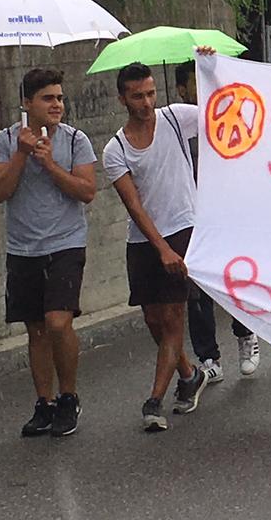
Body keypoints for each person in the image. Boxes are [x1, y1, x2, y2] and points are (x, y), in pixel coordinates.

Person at [0, 68, 98, 438]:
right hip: (23, 248)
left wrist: (49, 164)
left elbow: (86, 191)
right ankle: (44, 403)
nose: (57, 105)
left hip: (65, 243)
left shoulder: (75, 140)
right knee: (35, 330)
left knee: (57, 323)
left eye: (60, 98)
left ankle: (69, 397)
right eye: (48, 98)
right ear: (27, 103)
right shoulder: (4, 141)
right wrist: (21, 155)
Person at [103, 63, 209, 431]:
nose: (147, 102)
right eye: (137, 96)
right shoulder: (115, 149)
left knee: (173, 317)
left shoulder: (178, 119)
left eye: (150, 93)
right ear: (123, 99)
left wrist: (209, 65)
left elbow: (221, 105)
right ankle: (189, 373)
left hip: (184, 226)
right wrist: (159, 247)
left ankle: (154, 401)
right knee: (153, 320)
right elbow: (133, 203)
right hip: (144, 239)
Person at [173, 62, 271, 377]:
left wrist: (210, 66)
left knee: (237, 277)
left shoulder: (230, 115)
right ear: (181, 90)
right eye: (195, 82)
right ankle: (208, 357)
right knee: (197, 283)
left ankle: (246, 333)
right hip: (194, 216)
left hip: (232, 213)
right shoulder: (178, 124)